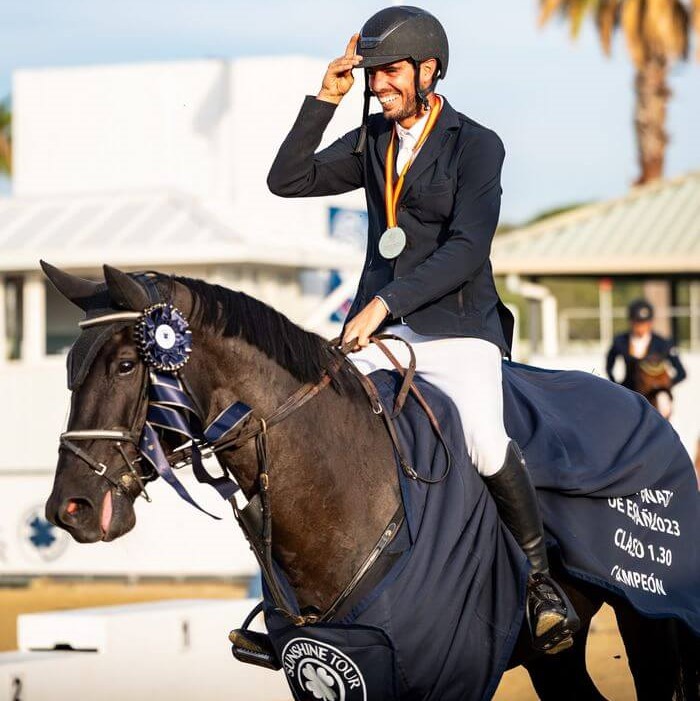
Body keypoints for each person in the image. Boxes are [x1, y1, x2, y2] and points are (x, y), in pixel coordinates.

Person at [267, 5, 578, 654]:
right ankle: (302, 602)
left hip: (458, 327)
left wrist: (386, 304)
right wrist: (327, 97)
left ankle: (541, 586)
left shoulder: (476, 144)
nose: (378, 84)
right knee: (319, 430)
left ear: (429, 70)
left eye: (389, 73)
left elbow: (467, 248)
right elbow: (286, 179)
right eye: (372, 72)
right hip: (380, 331)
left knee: (487, 442)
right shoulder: (372, 140)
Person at [606, 299, 686, 419]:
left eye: (644, 323)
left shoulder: (663, 343)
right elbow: (609, 366)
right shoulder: (621, 342)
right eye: (637, 323)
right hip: (629, 392)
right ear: (631, 322)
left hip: (654, 396)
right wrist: (617, 385)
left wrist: (663, 388)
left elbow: (681, 373)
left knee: (664, 408)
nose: (641, 327)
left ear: (650, 323)